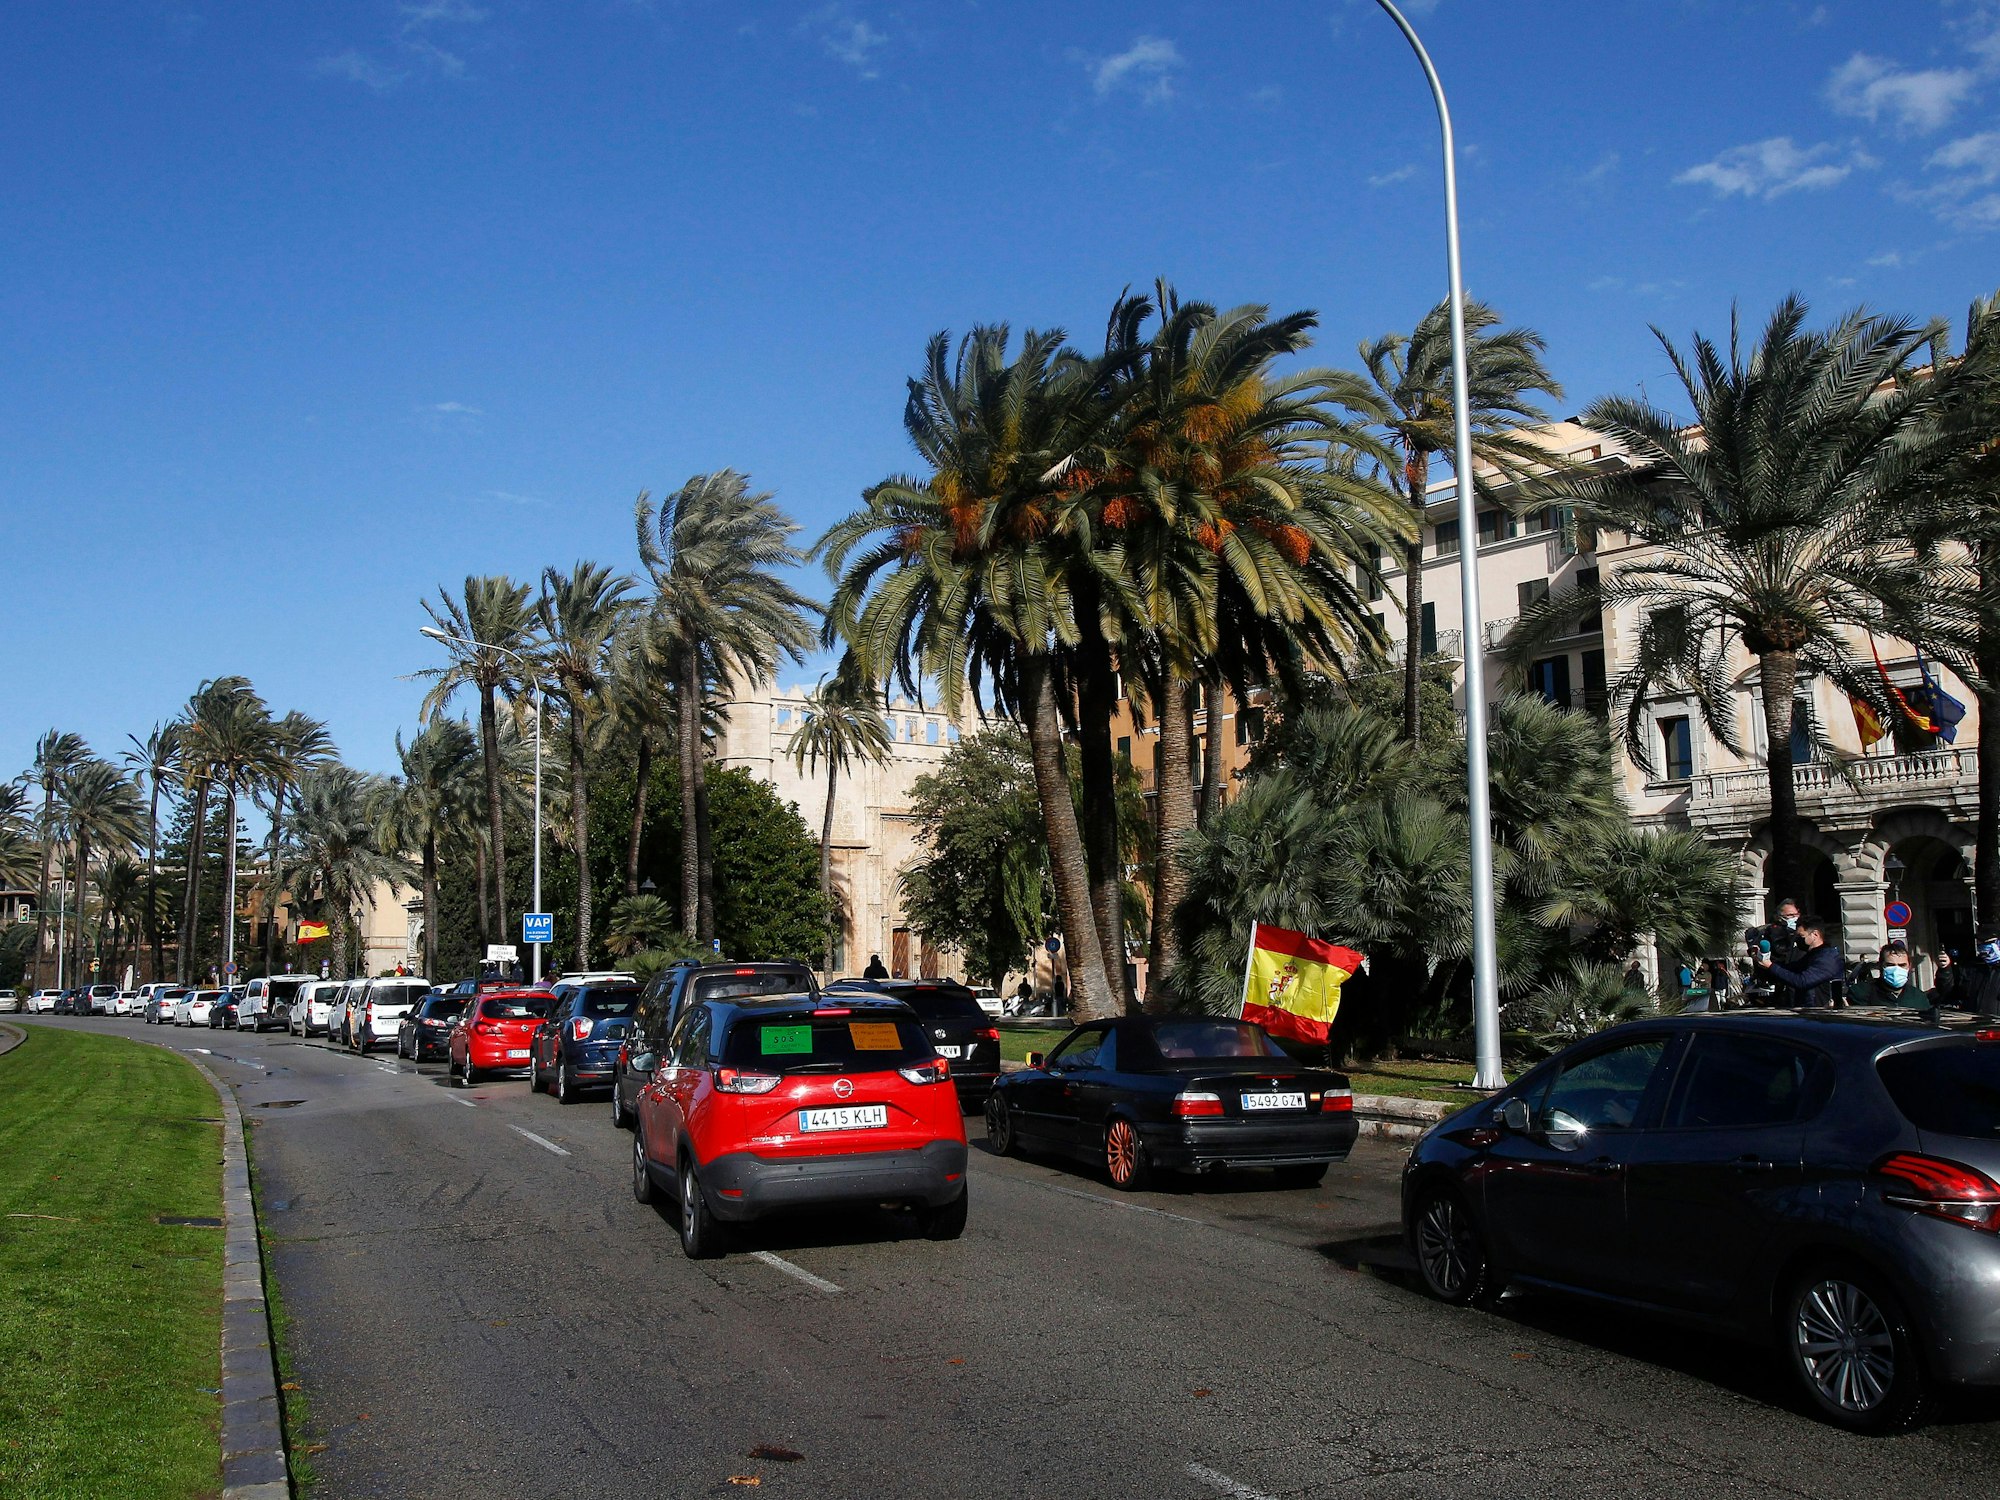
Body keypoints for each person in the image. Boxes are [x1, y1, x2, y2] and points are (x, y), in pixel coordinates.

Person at [1756, 914, 1843, 1008]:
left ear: (1815, 934)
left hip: (1821, 1013)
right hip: (1809, 1010)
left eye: (1801, 936)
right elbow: (1789, 970)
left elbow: (1803, 981)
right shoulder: (1813, 955)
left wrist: (1771, 966)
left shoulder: (1827, 958)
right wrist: (1763, 961)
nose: (1798, 941)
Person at [1847, 941, 1928, 1008]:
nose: (1896, 970)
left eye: (1902, 965)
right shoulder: (1861, 992)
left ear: (1909, 967)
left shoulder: (1918, 997)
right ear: (1880, 966)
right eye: (1890, 965)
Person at [1954, 931, 2000, 1017]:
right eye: (1980, 942)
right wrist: (1945, 970)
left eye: (1989, 943)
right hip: (1972, 1024)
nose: (1983, 946)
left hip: (1995, 1025)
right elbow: (1952, 992)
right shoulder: (1971, 968)